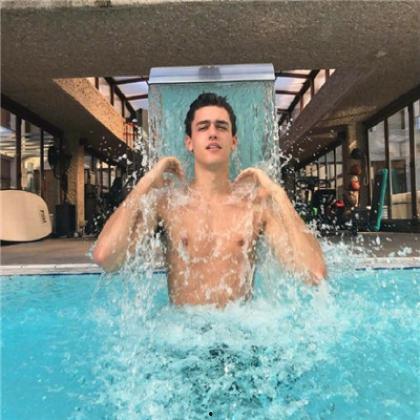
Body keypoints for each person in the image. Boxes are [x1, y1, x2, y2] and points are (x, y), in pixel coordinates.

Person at [93, 93, 326, 307]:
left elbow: (314, 274)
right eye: (203, 127)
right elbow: (106, 258)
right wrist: (147, 181)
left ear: (233, 142)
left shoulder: (255, 207)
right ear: (189, 142)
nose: (213, 133)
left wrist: (278, 193)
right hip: (183, 334)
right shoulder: (168, 205)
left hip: (239, 333)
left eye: (221, 127)